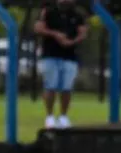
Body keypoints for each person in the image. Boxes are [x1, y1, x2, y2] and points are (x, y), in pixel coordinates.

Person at [34, 0, 87, 129]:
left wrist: (71, 42)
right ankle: (50, 116)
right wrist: (55, 35)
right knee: (50, 86)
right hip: (51, 55)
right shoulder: (48, 11)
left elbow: (83, 33)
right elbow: (38, 28)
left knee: (66, 87)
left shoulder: (78, 15)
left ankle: (63, 116)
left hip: (70, 56)